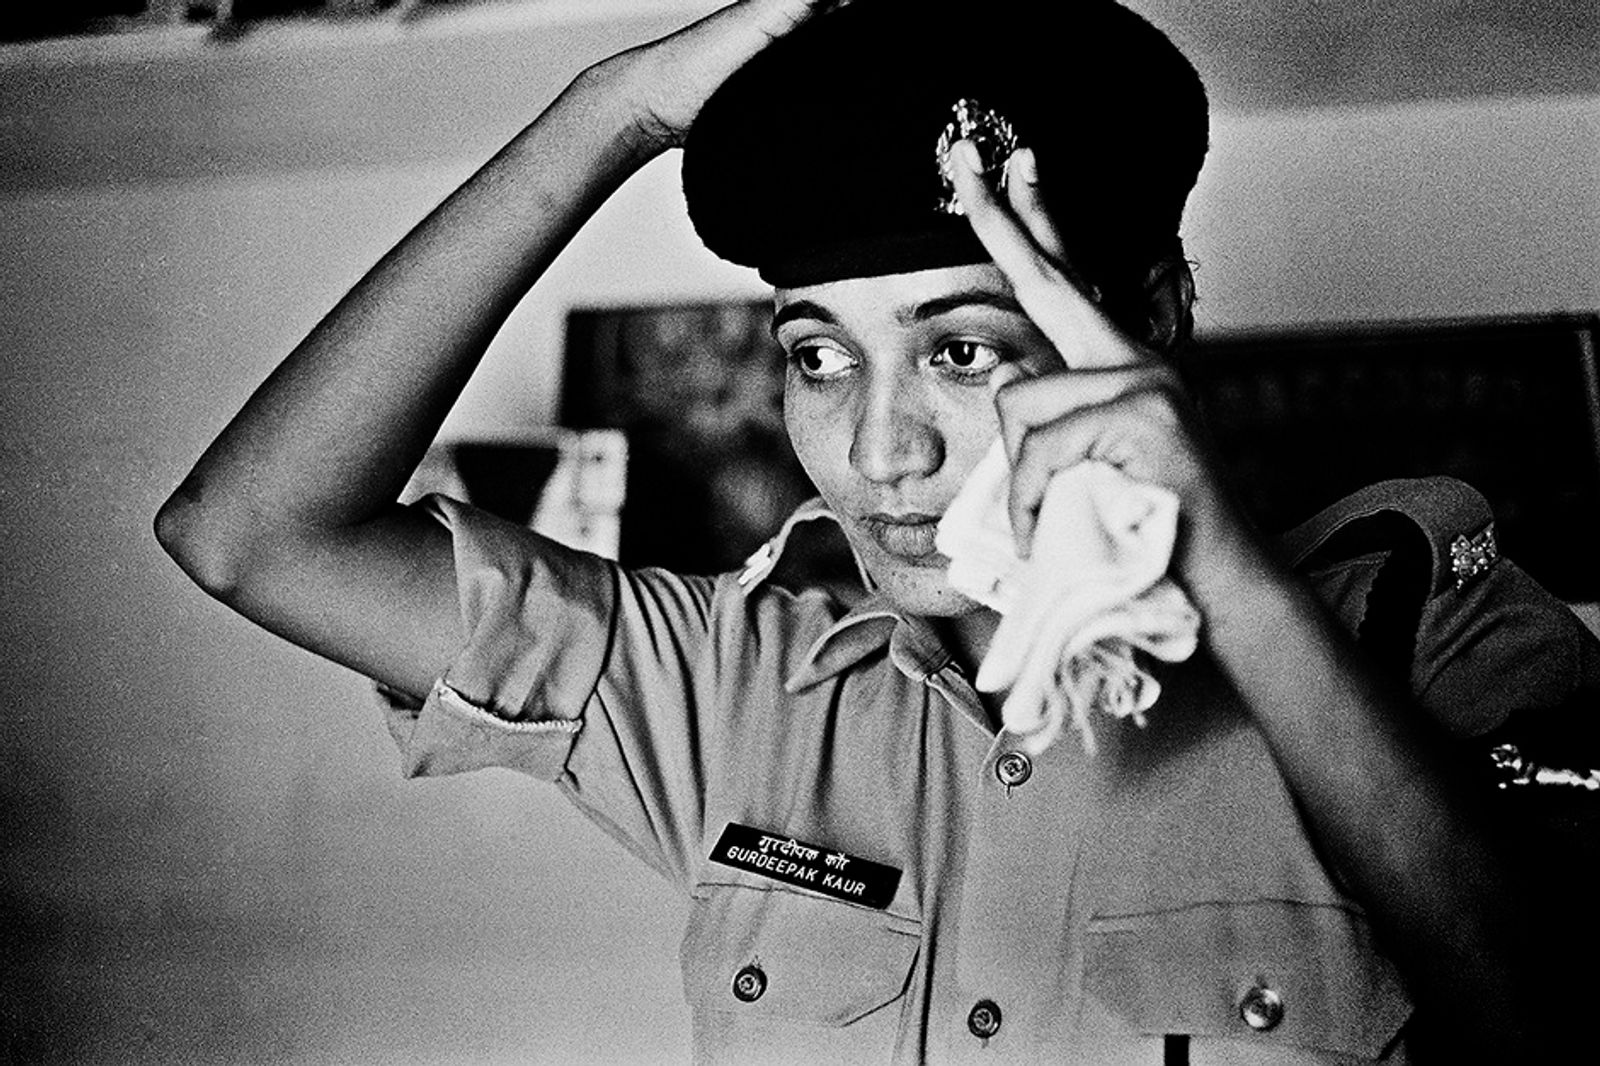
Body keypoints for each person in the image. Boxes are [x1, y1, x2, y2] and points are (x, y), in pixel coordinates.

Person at [156, 0, 1596, 1061]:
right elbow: (249, 534)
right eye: (818, 355)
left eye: (961, 349)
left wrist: (1221, 568)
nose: (877, 447)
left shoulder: (1413, 624)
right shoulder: (739, 684)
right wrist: (605, 115)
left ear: (1149, 320)